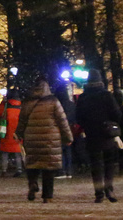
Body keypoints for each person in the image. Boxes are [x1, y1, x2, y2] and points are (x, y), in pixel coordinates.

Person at [18, 75, 73, 203]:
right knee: (48, 168)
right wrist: (68, 137)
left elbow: (22, 121)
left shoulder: (27, 101)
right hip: (50, 139)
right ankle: (47, 196)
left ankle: (32, 183)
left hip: (31, 138)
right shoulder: (53, 101)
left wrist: (19, 134)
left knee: (33, 163)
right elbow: (62, 121)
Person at [75, 72, 122, 203]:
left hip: (91, 134)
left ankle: (98, 193)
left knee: (96, 165)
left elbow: (78, 116)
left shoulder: (83, 97)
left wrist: (87, 125)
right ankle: (109, 189)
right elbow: (117, 114)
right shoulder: (107, 95)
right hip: (107, 133)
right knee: (109, 163)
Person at [0, 90, 24, 176]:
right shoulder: (21, 107)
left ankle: (4, 170)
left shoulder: (6, 106)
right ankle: (19, 169)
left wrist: (2, 103)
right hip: (17, 133)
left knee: (5, 152)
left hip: (6, 132)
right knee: (18, 153)